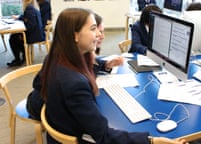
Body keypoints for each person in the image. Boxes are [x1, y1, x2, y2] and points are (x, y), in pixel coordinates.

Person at [39, 7, 187, 144]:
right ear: (75, 36)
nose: (99, 34)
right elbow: (104, 137)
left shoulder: (55, 59)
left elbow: (38, 86)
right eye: (93, 29)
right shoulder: (74, 83)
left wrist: (104, 65)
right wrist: (152, 141)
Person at [7, 0, 45, 67]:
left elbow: (31, 25)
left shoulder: (29, 9)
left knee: (13, 38)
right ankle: (24, 55)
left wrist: (22, 33)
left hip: (35, 36)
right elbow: (25, 17)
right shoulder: (32, 7)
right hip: (38, 33)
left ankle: (18, 60)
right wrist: (18, 17)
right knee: (16, 36)